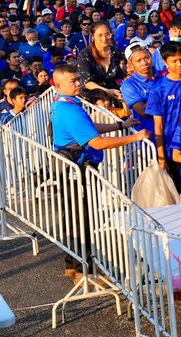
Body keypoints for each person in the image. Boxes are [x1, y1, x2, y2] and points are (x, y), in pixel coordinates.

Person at [50, 62, 150, 277]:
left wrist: (120, 125)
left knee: (74, 217)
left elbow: (88, 127)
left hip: (71, 167)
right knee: (81, 219)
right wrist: (134, 137)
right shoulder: (68, 109)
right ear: (57, 85)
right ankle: (82, 270)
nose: (78, 84)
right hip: (76, 170)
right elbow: (96, 142)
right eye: (72, 81)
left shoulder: (64, 103)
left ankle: (72, 265)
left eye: (78, 79)